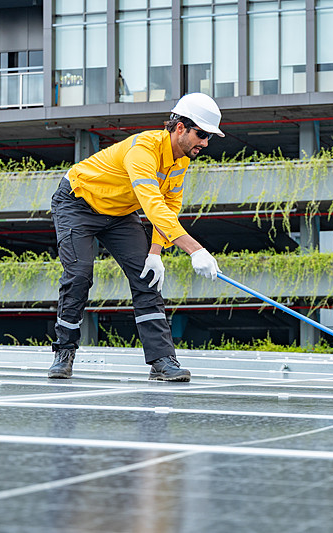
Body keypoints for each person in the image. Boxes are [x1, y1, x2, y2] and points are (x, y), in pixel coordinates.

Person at [47, 92, 224, 382]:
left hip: (119, 213)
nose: (204, 143)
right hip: (77, 202)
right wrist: (195, 250)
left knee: (146, 277)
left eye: (209, 138)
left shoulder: (180, 161)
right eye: (201, 134)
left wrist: (155, 252)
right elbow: (153, 206)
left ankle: (162, 360)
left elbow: (169, 208)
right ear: (180, 127)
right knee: (79, 274)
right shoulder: (143, 150)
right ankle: (63, 352)